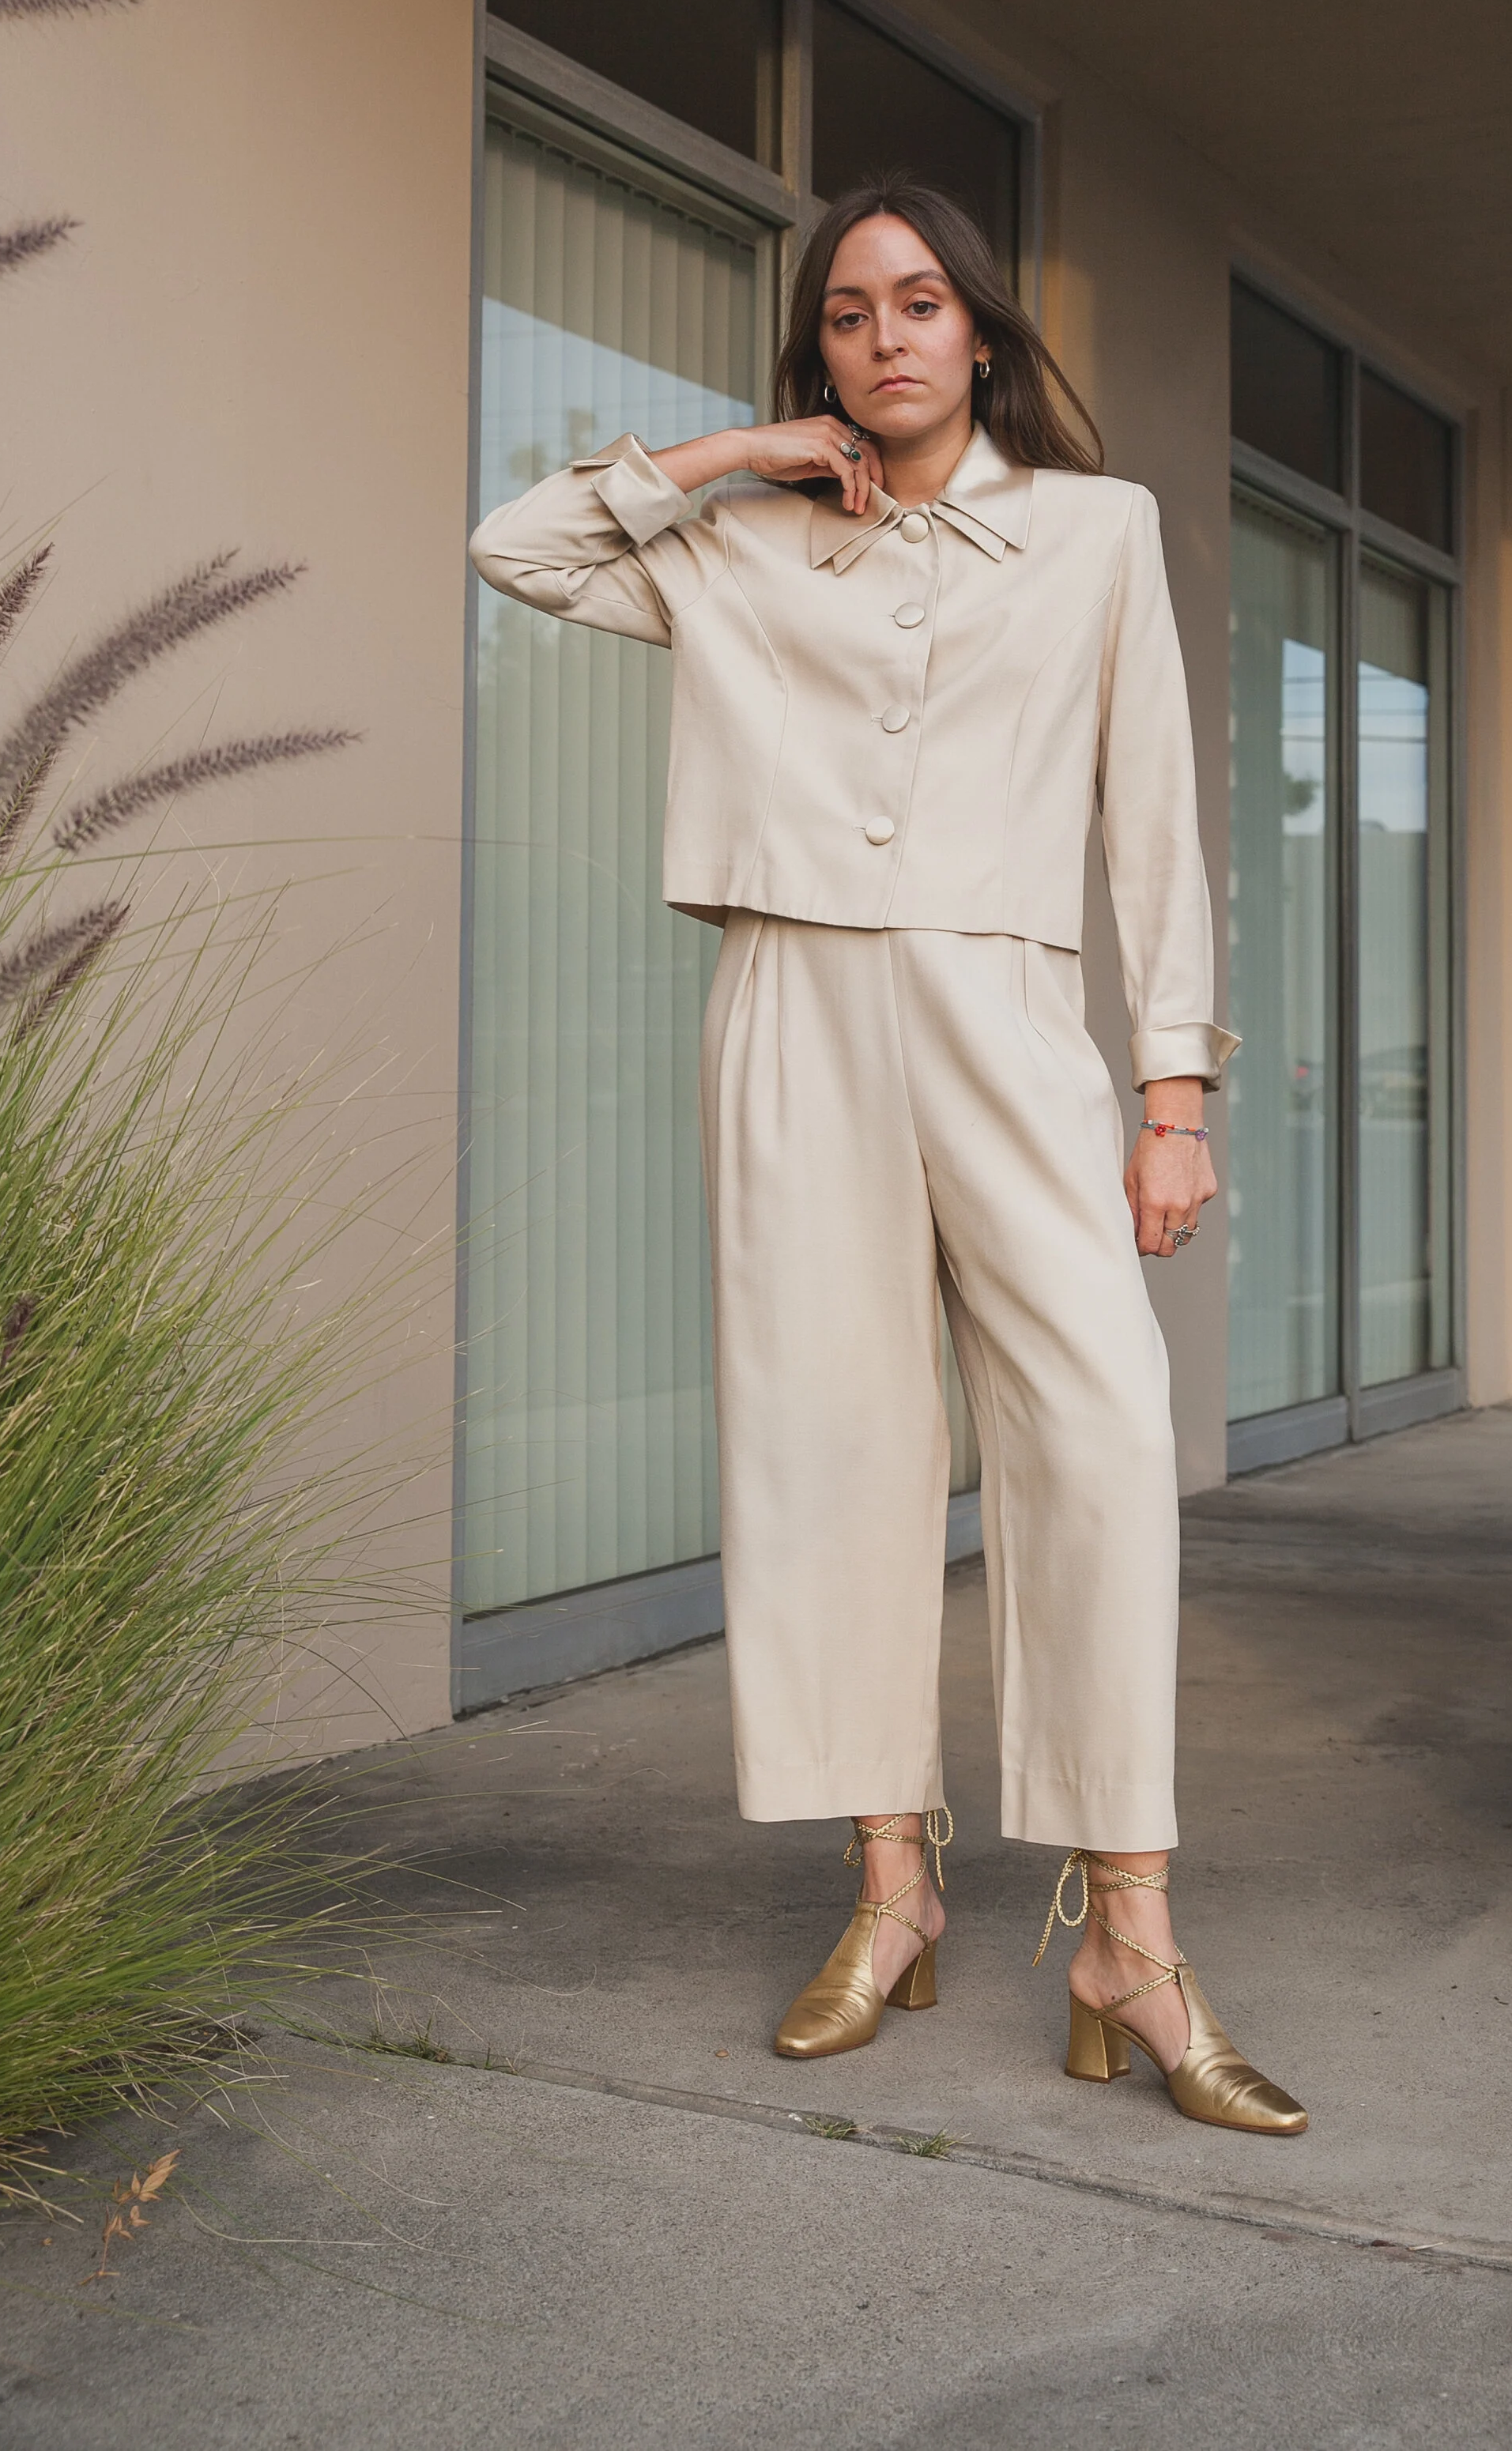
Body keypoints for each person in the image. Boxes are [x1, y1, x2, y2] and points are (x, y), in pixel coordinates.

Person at [469, 177, 1306, 2136]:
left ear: (983, 334)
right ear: (818, 354)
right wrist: (746, 453)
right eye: (845, 315)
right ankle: (889, 1888)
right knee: (831, 1444)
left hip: (1011, 1021)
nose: (884, 338)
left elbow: (1155, 826)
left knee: (1099, 1431)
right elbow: (515, 543)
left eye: (920, 303)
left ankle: (1130, 1934)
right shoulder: (741, 542)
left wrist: (1167, 1093)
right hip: (789, 1014)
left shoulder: (1095, 533)